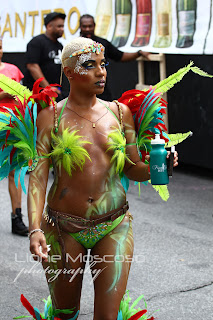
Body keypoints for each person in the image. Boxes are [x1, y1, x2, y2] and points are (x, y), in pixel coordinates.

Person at [27, 37, 178, 320]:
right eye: (90, 65)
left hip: (114, 225)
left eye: (103, 64)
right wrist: (34, 228)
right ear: (70, 72)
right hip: (62, 229)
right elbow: (37, 176)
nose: (101, 72)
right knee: (64, 313)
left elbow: (133, 168)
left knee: (107, 317)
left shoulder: (120, 114)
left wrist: (161, 166)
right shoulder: (51, 118)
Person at [79, 14, 150, 101]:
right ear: (80, 27)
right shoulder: (75, 46)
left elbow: (121, 56)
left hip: (101, 92)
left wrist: (138, 53)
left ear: (94, 26)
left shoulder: (103, 43)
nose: (87, 29)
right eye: (84, 26)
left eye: (90, 26)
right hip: (82, 92)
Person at [0, 37, 28, 236]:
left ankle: (17, 218)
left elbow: (23, 96)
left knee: (15, 173)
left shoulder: (13, 69)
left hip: (14, 128)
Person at [23, 11, 69, 102]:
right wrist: (47, 87)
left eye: (63, 26)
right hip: (37, 94)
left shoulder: (59, 45)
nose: (62, 29)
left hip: (55, 93)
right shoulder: (36, 42)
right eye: (59, 26)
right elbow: (32, 66)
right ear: (49, 26)